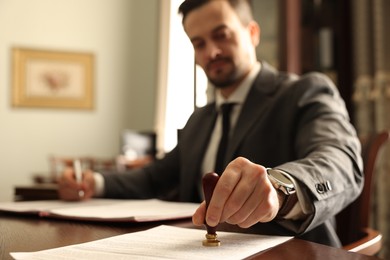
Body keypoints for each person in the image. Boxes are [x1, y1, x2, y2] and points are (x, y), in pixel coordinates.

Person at [58, 0, 363, 247]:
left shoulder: (303, 92)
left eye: (222, 35)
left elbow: (342, 161)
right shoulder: (200, 119)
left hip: (291, 253)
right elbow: (155, 177)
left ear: (252, 33)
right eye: (198, 43)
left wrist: (280, 188)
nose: (211, 52)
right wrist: (94, 183)